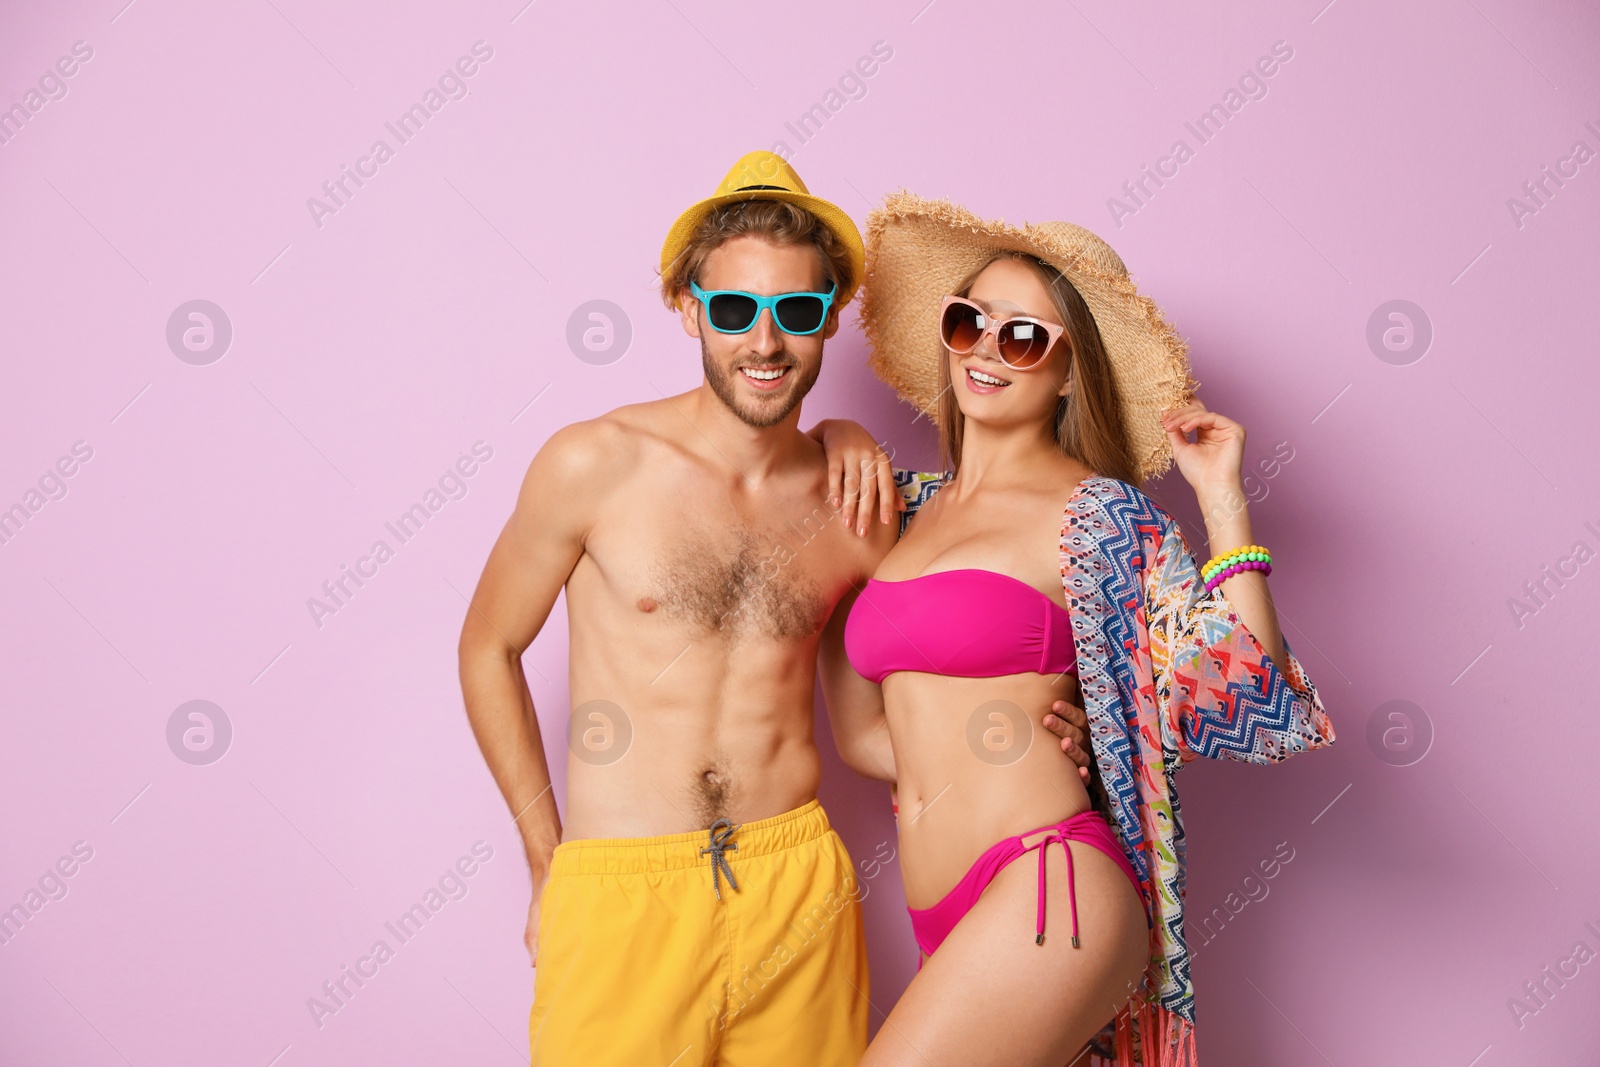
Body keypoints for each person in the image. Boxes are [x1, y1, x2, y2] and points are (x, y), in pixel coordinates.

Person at [454, 153, 1093, 1067]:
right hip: (623, 888)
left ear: (830, 315)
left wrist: (1035, 732)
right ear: (689, 308)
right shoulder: (594, 464)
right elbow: (488, 645)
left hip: (796, 887)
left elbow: (880, 717)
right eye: (734, 309)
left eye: (796, 311)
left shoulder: (856, 506)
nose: (765, 341)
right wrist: (544, 855)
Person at [813, 193, 1338, 1065]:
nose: (987, 348)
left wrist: (1222, 501)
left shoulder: (1097, 520)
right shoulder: (900, 511)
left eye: (1023, 337)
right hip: (946, 915)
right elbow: (869, 735)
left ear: (1067, 372)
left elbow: (1259, 709)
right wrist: (833, 431)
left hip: (1050, 884)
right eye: (969, 321)